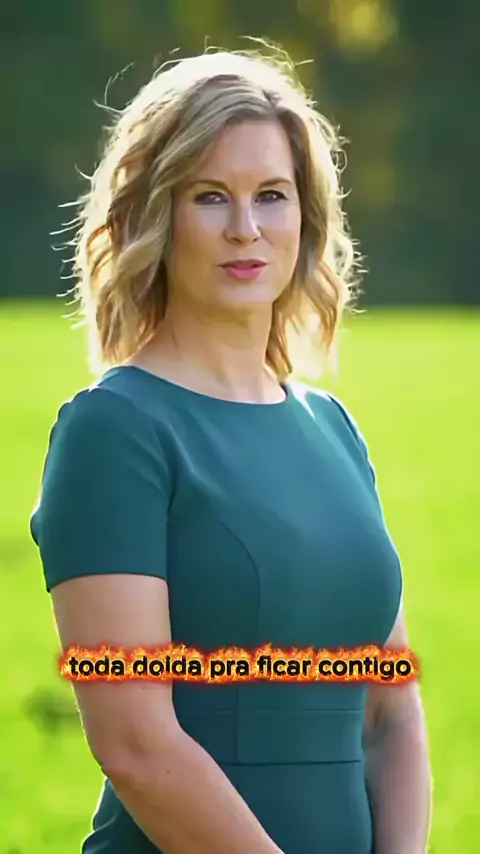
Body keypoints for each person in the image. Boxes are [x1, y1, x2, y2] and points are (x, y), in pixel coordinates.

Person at [30, 44, 431, 854]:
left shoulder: (333, 428)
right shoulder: (114, 431)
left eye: (271, 195)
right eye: (210, 196)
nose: (246, 228)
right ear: (155, 215)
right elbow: (136, 746)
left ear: (305, 216)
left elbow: (389, 710)